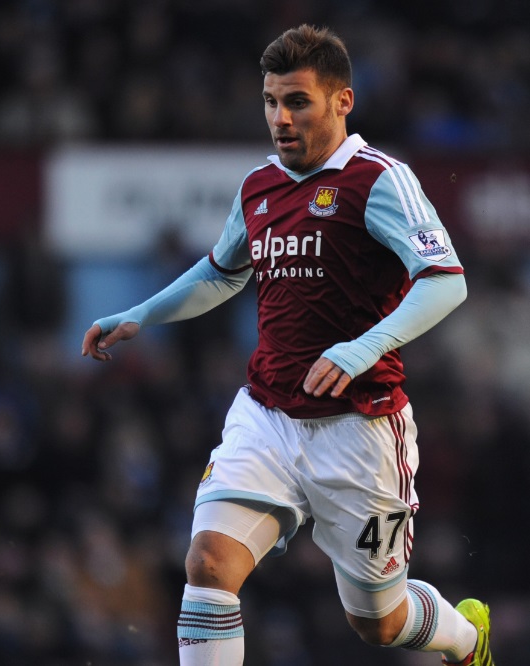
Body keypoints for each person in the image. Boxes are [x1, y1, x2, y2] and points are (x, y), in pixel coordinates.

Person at [82, 24, 494, 666]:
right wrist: (142, 314)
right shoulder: (259, 186)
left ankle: (467, 639)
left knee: (378, 621)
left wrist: (361, 348)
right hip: (267, 416)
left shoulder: (379, 180)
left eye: (298, 101)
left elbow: (446, 282)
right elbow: (222, 271)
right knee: (208, 563)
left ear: (342, 101)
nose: (280, 117)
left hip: (360, 430)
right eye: (271, 101)